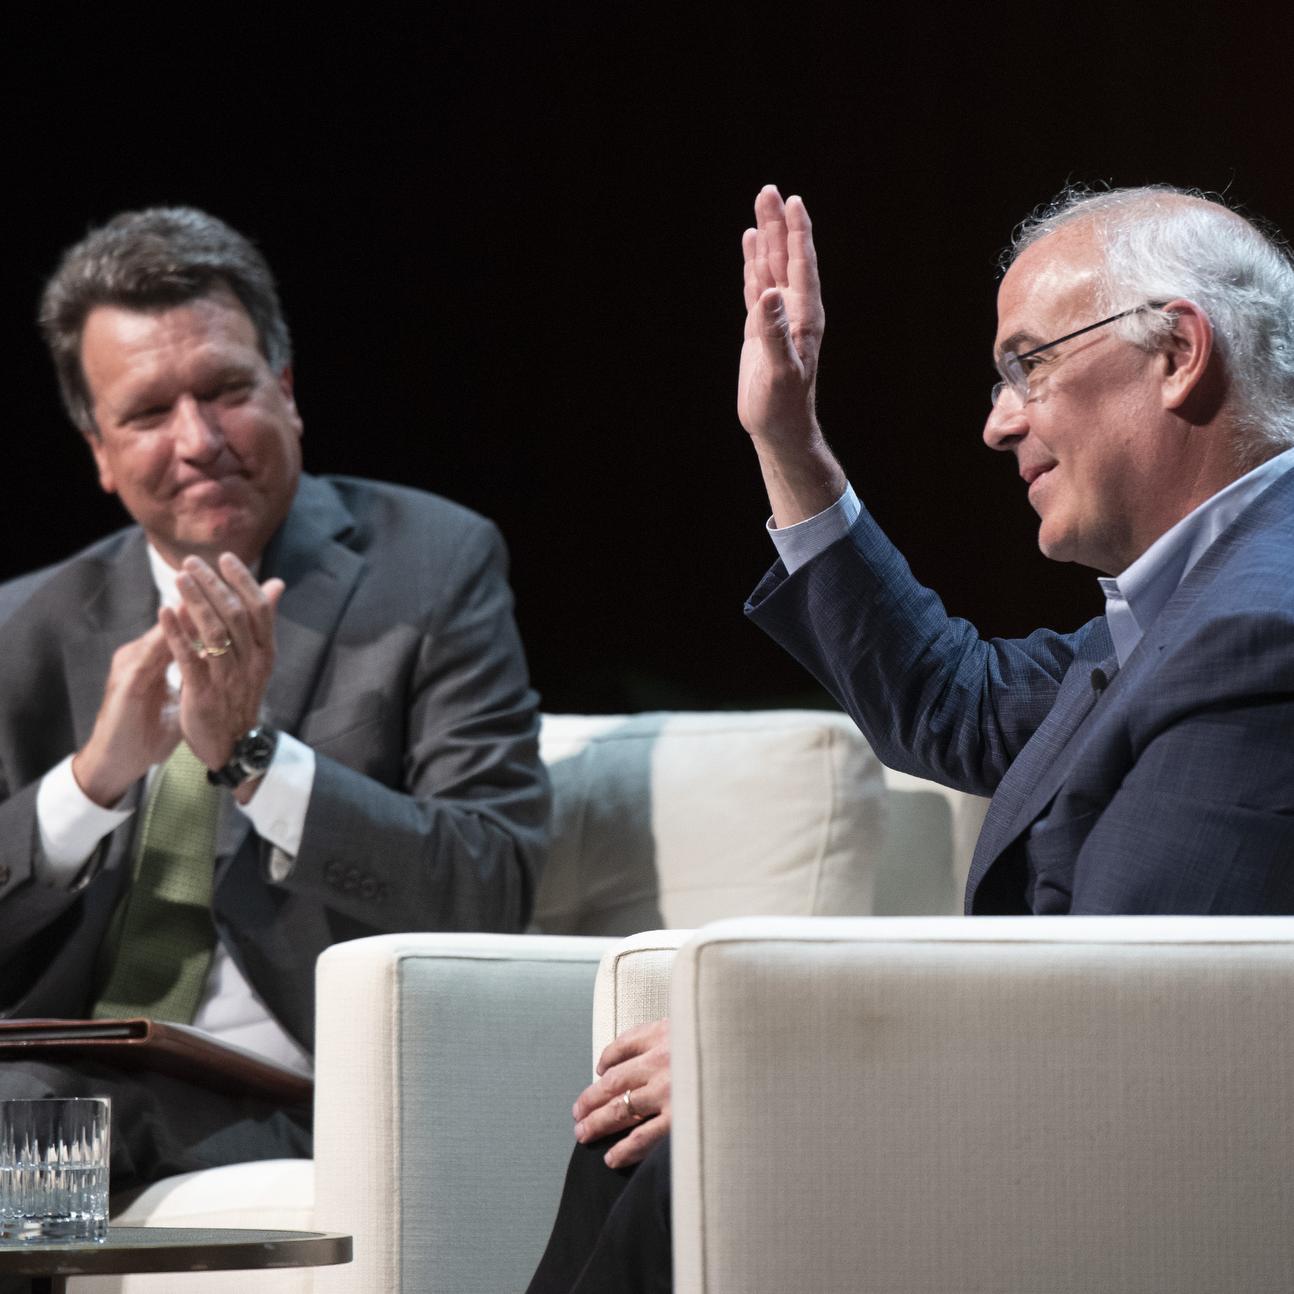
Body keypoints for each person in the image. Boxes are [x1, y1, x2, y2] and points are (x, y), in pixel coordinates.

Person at [527, 182, 1294, 1291]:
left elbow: (1132, 1016)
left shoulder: (1261, 631)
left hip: (1125, 1182)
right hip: (1069, 1120)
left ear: (1176, 352)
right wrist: (788, 441)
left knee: (689, 1149)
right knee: (642, 1135)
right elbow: (957, 703)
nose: (997, 419)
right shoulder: (1191, 609)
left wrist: (774, 1057)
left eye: (1028, 364)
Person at [0, 206, 549, 1188]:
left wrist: (251, 759)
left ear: (286, 391)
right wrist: (88, 785)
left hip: (302, 1087)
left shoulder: (432, 568)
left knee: (29, 1122)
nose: (199, 439)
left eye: (226, 391)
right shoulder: (25, 626)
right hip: (57, 1066)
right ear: (96, 449)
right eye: (147, 413)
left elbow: (492, 880)